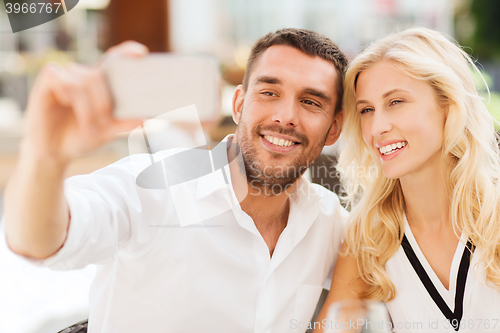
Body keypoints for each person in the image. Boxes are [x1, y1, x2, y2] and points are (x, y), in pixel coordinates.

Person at [3, 28, 348, 332]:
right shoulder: (153, 187)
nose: (286, 116)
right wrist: (45, 155)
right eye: (269, 93)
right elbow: (41, 240)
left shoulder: (330, 223)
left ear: (333, 128)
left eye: (310, 101)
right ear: (240, 104)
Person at [314, 27, 500, 333]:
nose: (377, 127)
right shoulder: (368, 238)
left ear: (447, 104)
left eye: (396, 102)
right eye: (366, 110)